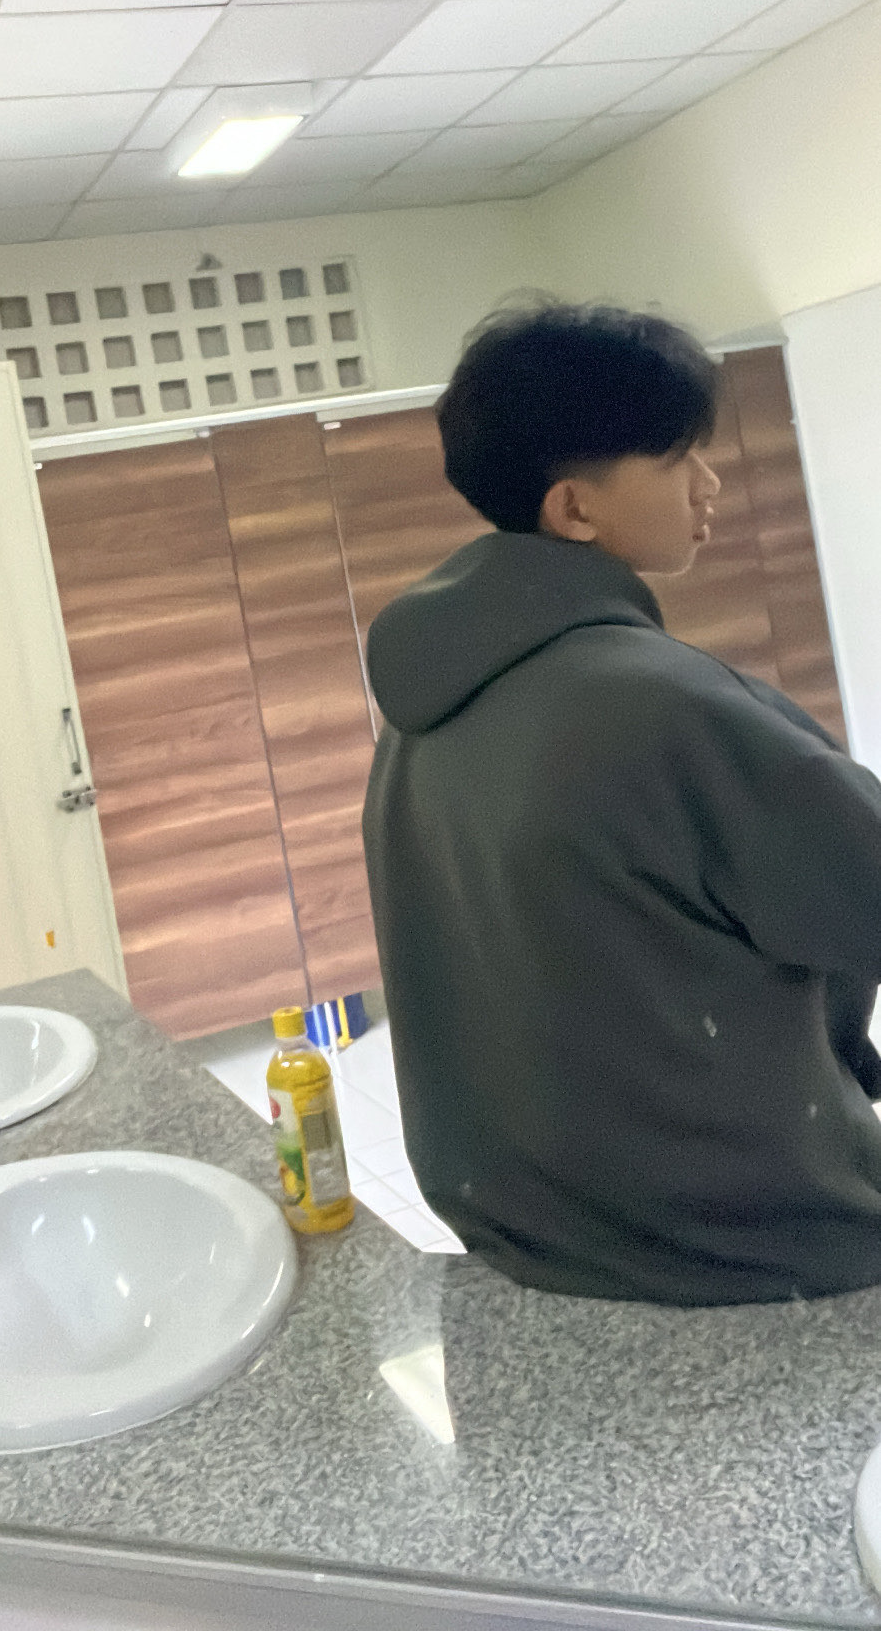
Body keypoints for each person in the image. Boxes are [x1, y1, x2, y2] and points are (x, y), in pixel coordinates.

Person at [362, 297, 881, 1306]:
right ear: (575, 510)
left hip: (540, 1257)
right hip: (755, 1260)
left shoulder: (420, 715)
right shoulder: (668, 709)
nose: (708, 481)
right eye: (676, 456)